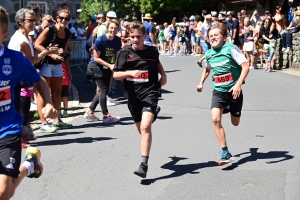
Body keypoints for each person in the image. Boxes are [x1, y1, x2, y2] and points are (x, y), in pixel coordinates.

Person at [0, 6, 58, 199]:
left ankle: (29, 164)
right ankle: (31, 164)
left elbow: (38, 80)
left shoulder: (14, 60)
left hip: (7, 129)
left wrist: (49, 103)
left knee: (2, 193)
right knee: (6, 193)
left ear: (4, 35)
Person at [113, 21, 167, 178]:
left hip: (151, 92)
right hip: (133, 96)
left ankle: (143, 165)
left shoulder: (151, 51)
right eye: (132, 37)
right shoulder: (125, 53)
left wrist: (163, 75)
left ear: (145, 36)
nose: (135, 40)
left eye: (138, 37)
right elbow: (116, 74)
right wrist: (130, 73)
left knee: (145, 128)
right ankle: (152, 114)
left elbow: (157, 63)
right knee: (142, 130)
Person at [196, 24, 250, 166]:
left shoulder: (230, 48)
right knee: (215, 119)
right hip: (218, 91)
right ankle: (225, 152)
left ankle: (230, 109)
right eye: (211, 36)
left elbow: (245, 66)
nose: (213, 37)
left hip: (234, 91)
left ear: (224, 37)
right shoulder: (209, 53)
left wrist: (238, 84)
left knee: (235, 123)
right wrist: (201, 82)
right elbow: (208, 69)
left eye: (216, 35)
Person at [8, 8, 59, 140]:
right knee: (22, 108)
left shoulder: (23, 36)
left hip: (21, 79)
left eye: (34, 21)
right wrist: (45, 53)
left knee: (23, 108)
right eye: (30, 21)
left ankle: (25, 134)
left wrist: (46, 52)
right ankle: (22, 136)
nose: (33, 23)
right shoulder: (22, 40)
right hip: (19, 80)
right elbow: (29, 62)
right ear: (20, 22)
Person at [34, 8, 73, 131]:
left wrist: (68, 69)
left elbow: (65, 51)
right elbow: (37, 44)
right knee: (43, 94)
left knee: (57, 93)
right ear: (56, 18)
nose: (63, 20)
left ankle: (56, 120)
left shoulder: (67, 32)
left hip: (57, 65)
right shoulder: (49, 30)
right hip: (46, 63)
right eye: (61, 18)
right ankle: (43, 123)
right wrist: (50, 54)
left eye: (66, 18)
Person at [83, 19, 121, 123]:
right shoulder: (101, 40)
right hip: (95, 66)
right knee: (103, 90)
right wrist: (109, 65)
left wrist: (116, 68)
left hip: (108, 67)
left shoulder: (117, 40)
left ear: (118, 29)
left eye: (115, 28)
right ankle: (106, 115)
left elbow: (117, 55)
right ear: (108, 28)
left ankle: (89, 111)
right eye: (111, 28)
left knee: (103, 91)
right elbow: (96, 58)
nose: (113, 30)